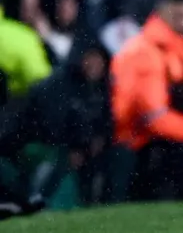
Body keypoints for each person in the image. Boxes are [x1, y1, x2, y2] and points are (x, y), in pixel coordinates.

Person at [108, 0, 183, 201]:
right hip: (135, 146)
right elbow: (153, 116)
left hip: (169, 141)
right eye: (177, 7)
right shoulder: (144, 51)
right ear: (161, 11)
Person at [0, 34, 111, 216]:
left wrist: (92, 141)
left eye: (99, 59)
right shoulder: (58, 85)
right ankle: (40, 201)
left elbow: (103, 120)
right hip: (29, 144)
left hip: (68, 147)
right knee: (54, 165)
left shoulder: (98, 87)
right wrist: (75, 147)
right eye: (90, 58)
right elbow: (50, 125)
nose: (95, 64)